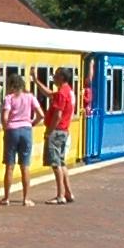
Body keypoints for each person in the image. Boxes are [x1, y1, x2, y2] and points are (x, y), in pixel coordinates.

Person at [0, 66, 40, 206]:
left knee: (9, 166)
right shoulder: (30, 97)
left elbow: (5, 117)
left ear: (11, 85)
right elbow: (41, 114)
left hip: (12, 131)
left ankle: (6, 198)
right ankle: (26, 198)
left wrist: (6, 128)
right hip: (26, 130)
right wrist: (32, 123)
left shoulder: (9, 98)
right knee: (25, 166)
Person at [43, 66, 77, 203]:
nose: (53, 77)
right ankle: (68, 193)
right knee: (62, 163)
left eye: (56, 75)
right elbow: (49, 94)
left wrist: (49, 131)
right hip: (64, 131)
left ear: (62, 77)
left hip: (56, 132)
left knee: (55, 164)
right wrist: (35, 80)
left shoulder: (62, 93)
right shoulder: (69, 91)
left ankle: (60, 195)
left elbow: (58, 115)